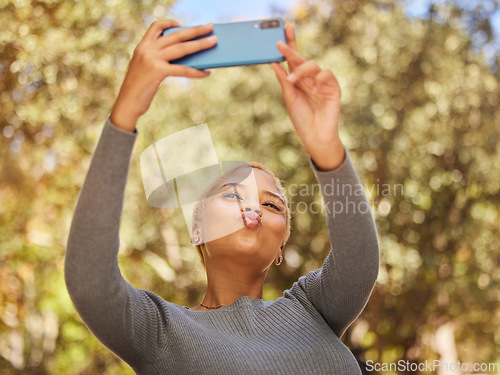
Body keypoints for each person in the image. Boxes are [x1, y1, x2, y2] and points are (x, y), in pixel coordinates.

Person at [65, 19, 380, 375]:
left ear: (281, 249)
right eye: (233, 195)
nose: (252, 208)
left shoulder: (314, 309)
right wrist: (124, 115)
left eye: (272, 204)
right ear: (196, 229)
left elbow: (359, 260)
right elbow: (90, 283)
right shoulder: (159, 332)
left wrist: (326, 149)